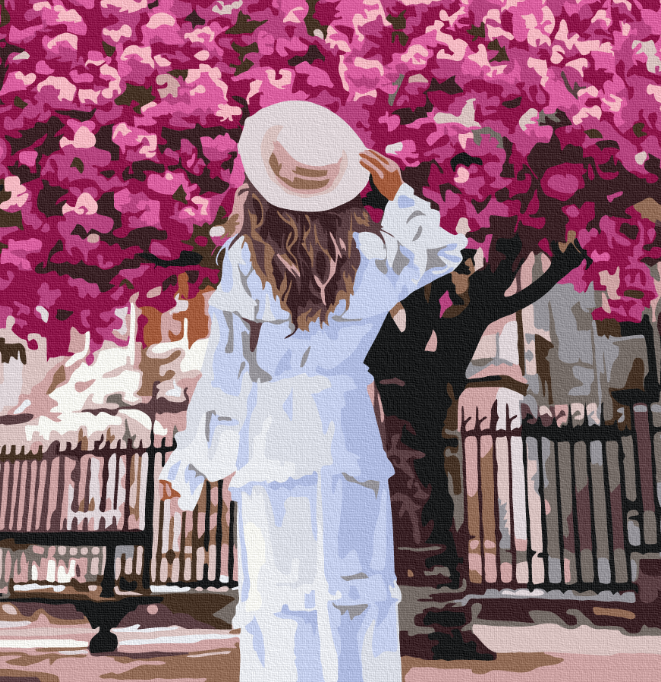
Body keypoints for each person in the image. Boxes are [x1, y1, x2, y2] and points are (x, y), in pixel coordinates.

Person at [158, 100, 468, 682]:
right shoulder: (371, 257)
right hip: (346, 432)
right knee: (354, 590)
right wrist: (398, 194)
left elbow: (230, 372)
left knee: (281, 594)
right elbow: (440, 250)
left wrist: (194, 465)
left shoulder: (245, 263)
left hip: (274, 438)